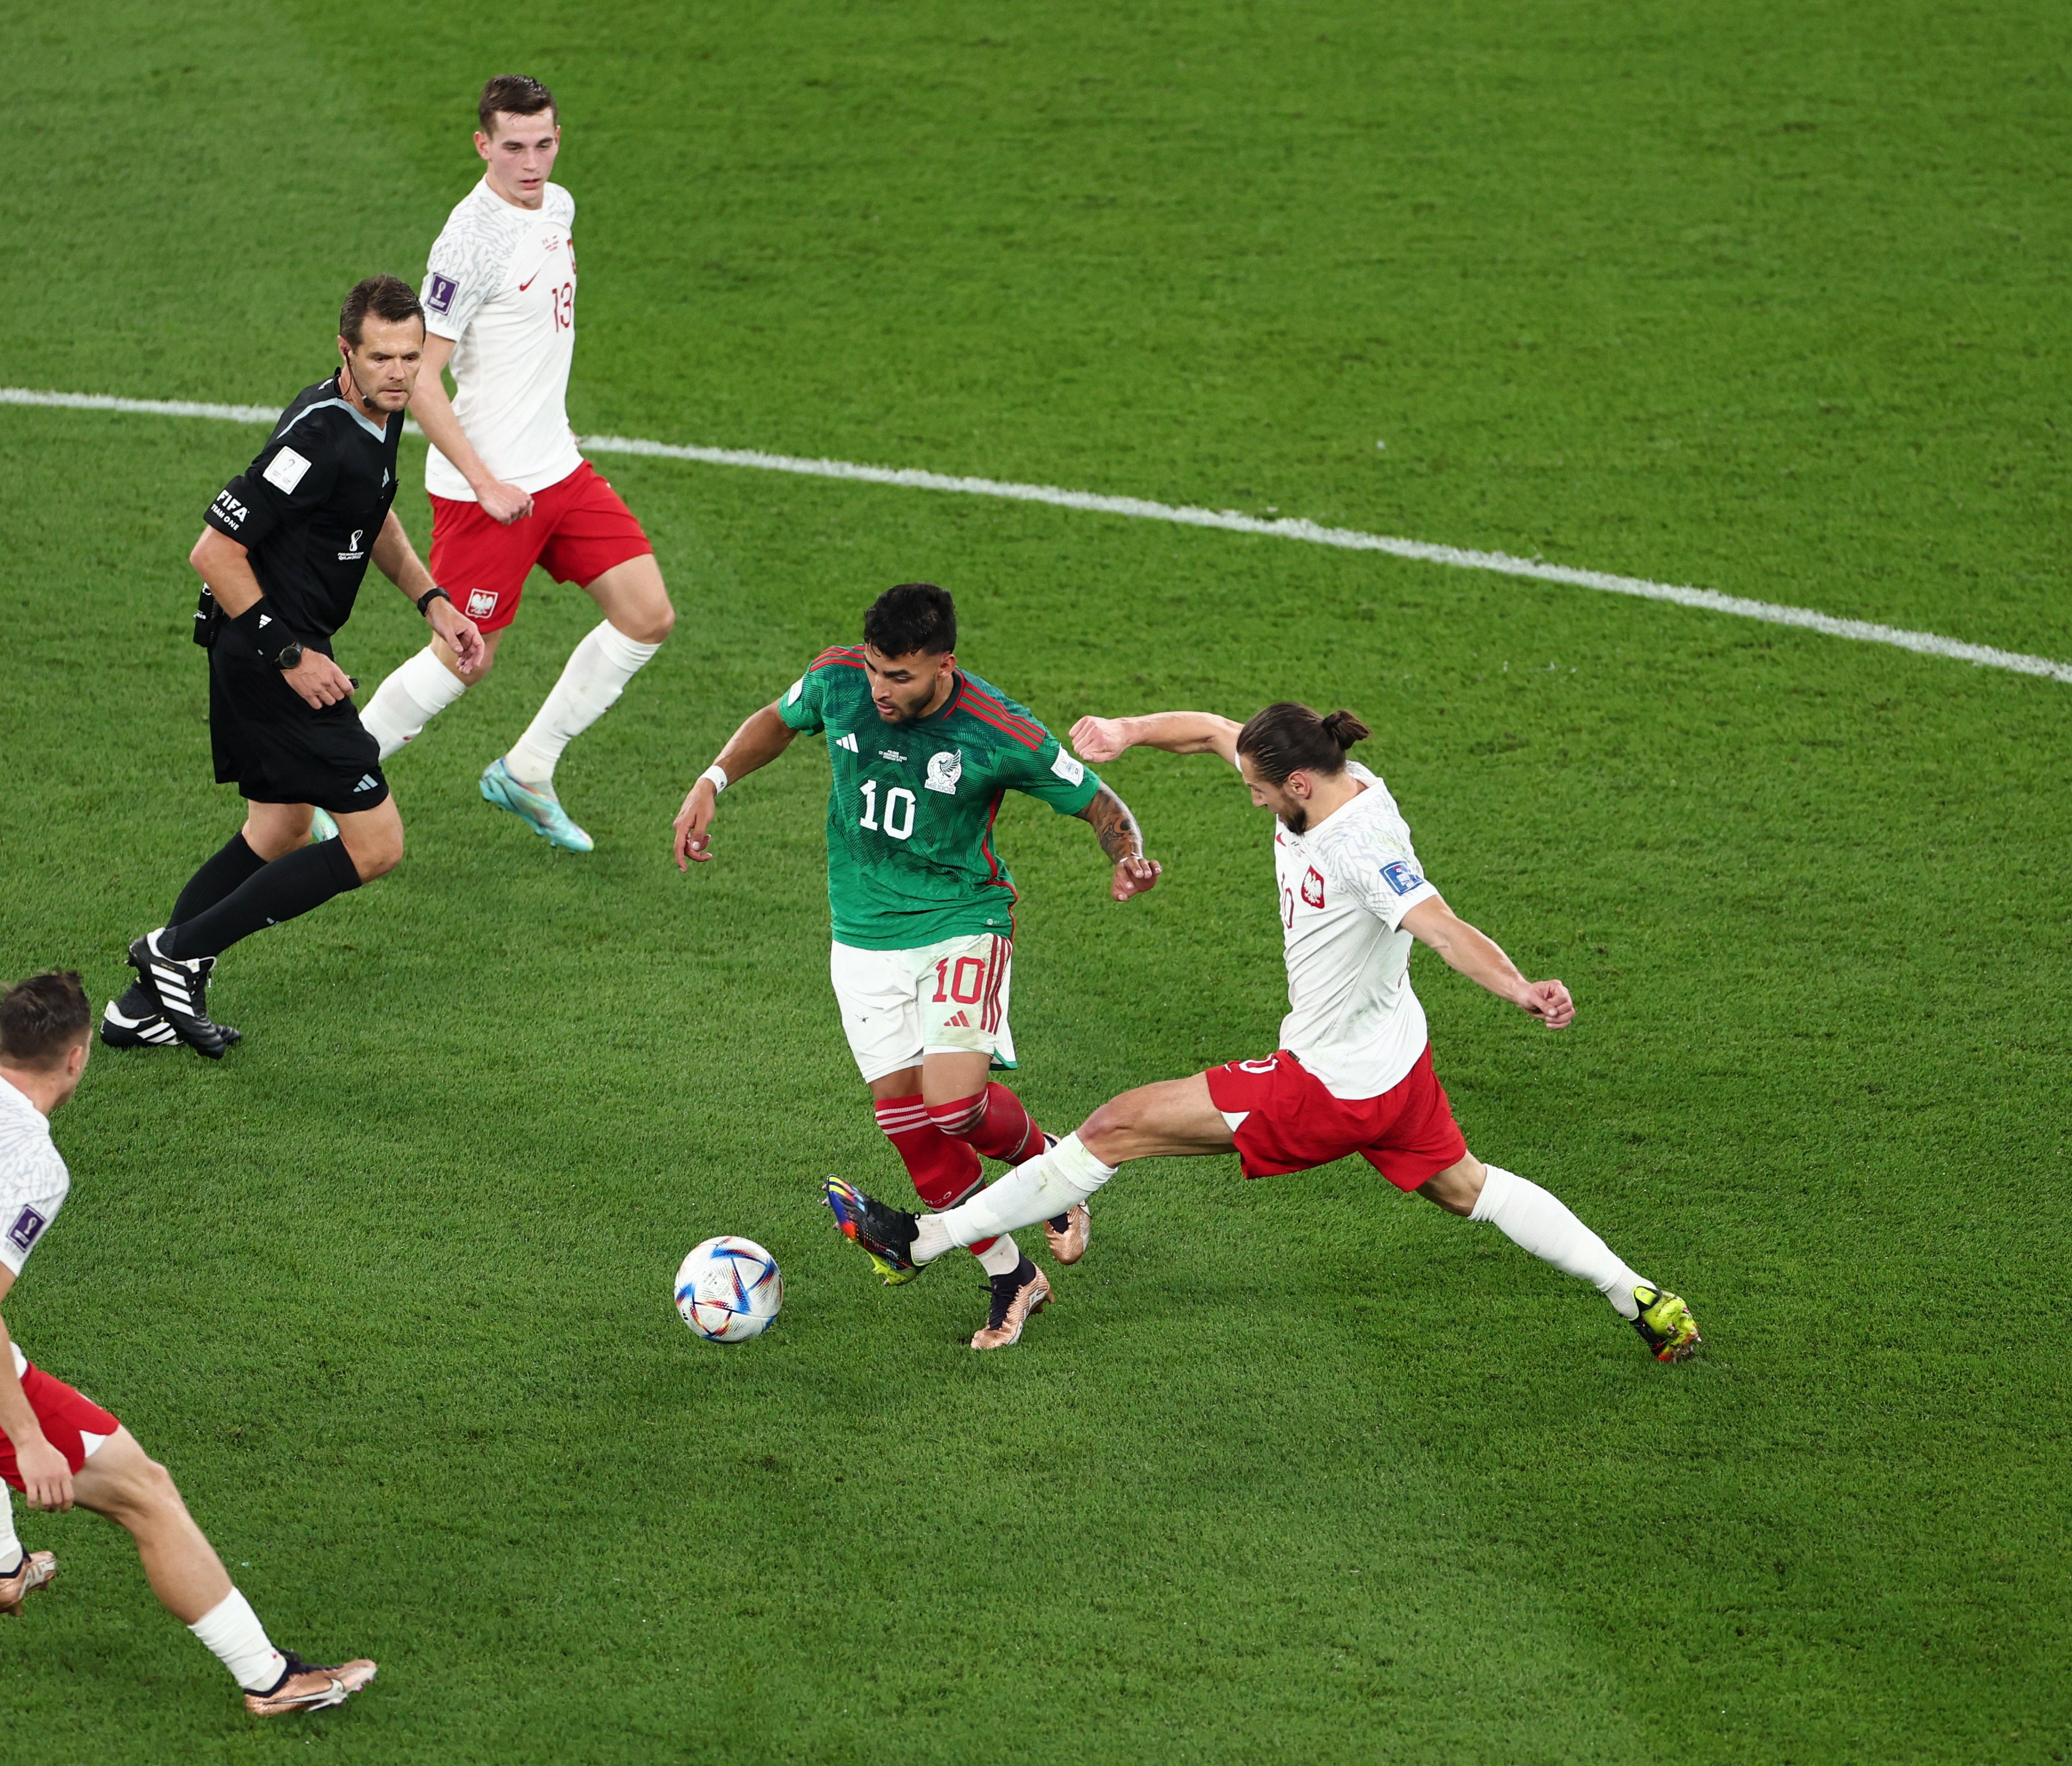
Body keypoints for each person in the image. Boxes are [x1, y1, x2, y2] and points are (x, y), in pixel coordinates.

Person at [824, 702, 1704, 1363]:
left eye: (1255, 791)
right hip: (1397, 1063)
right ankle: (1642, 1299)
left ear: (1296, 785)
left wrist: (1520, 988)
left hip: (1325, 1082)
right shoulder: (1314, 776)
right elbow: (1212, 730)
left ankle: (922, 1241)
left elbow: (1438, 923)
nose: (1248, 801)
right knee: (1467, 1188)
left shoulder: (1361, 841)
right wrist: (1129, 731)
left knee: (1113, 1127)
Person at [0, 971, 375, 1715]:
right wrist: (30, 1441)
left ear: (2, 1041)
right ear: (76, 1058)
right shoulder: (33, 1162)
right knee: (148, 1492)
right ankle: (270, 1678)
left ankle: (5, 1565)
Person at [674, 584, 1161, 1349]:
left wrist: (1128, 856)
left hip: (960, 925)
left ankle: (1056, 1174)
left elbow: (1098, 803)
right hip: (861, 938)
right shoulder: (838, 680)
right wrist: (713, 780)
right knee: (907, 1123)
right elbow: (776, 719)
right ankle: (1012, 1276)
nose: (880, 690)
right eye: (874, 670)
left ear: (944, 665)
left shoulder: (995, 729)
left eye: (899, 676)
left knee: (955, 1107)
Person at [105, 275, 486, 1057]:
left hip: (281, 645)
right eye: (380, 356)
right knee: (375, 845)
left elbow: (369, 517)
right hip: (269, 655)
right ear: (344, 350)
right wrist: (290, 655)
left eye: (411, 356)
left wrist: (433, 601)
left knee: (277, 827)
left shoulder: (377, 416)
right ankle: (174, 956)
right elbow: (214, 551)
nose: (398, 371)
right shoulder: (315, 436)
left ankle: (140, 1006)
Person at [357, 74, 673, 855]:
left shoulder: (558, 204)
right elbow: (419, 377)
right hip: (484, 486)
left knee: (647, 615)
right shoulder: (469, 239)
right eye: (513, 147)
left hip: (556, 469)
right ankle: (339, 774)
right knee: (465, 655)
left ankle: (527, 768)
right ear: (482, 145)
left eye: (543, 143)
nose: (530, 162)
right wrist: (488, 480)